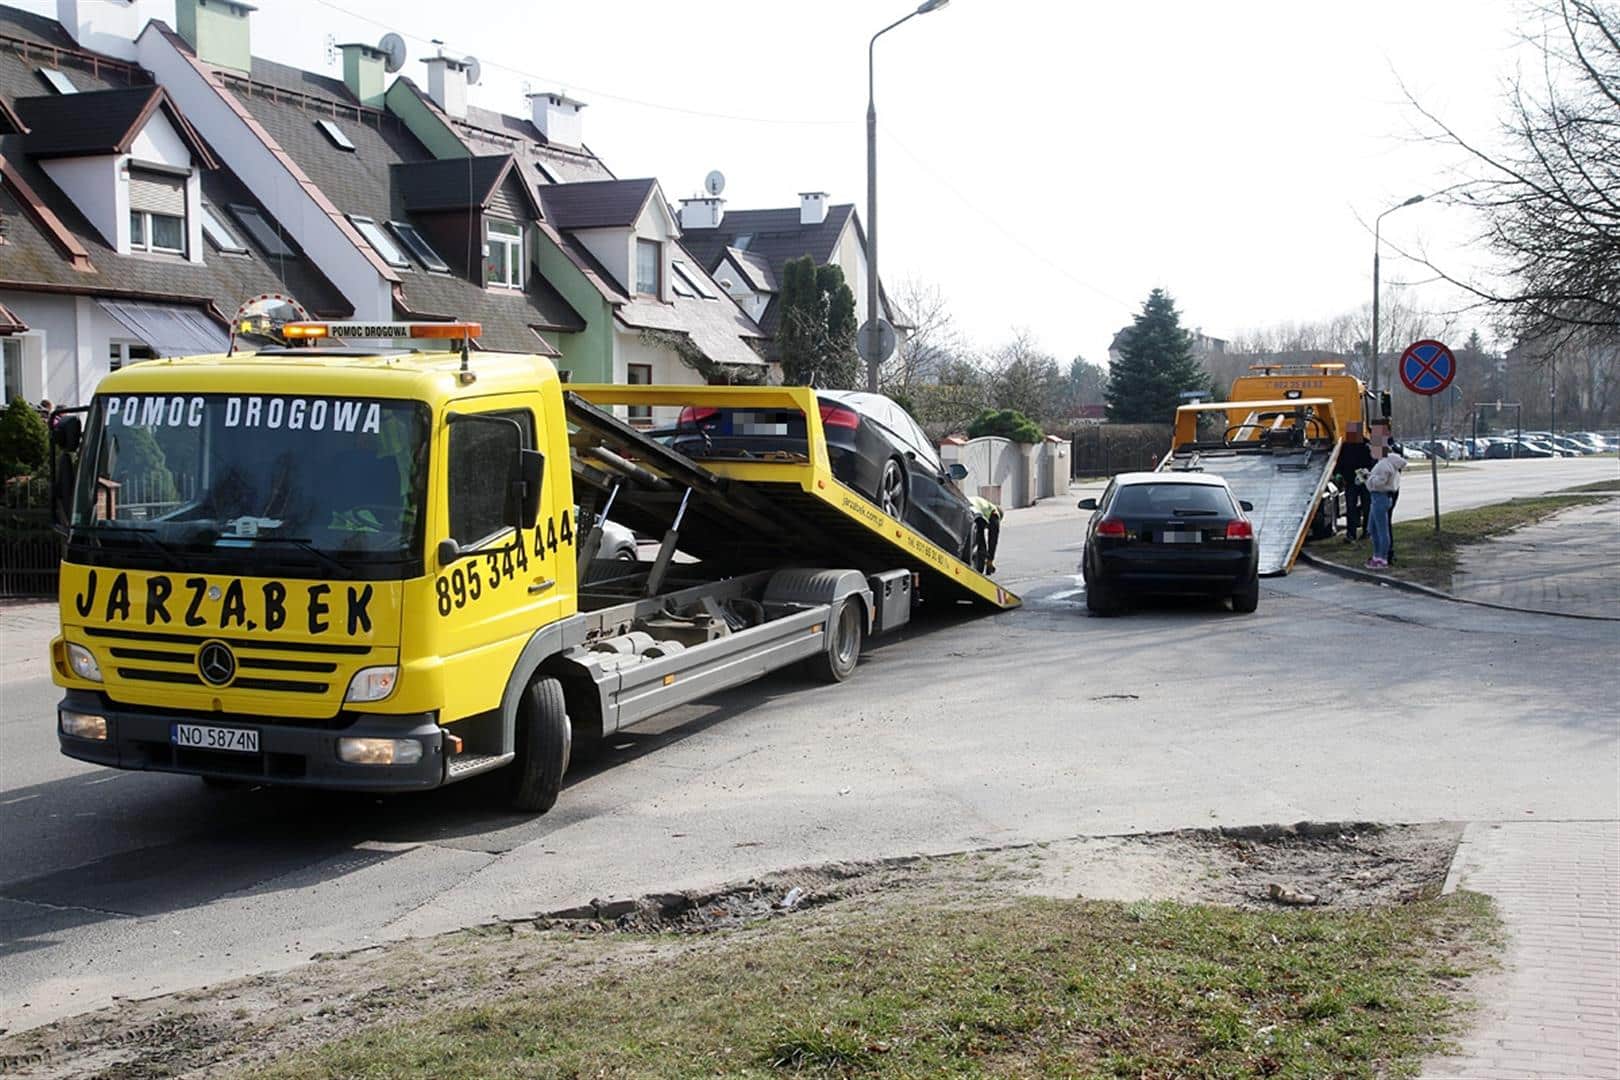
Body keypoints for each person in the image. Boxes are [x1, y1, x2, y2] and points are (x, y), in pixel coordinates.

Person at [1363, 444, 1406, 569]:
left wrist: (1367, 478)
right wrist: (1370, 475)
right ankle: (1377, 555)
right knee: (1373, 528)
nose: (1370, 451)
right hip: (1380, 497)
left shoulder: (1384, 464)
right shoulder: (1385, 463)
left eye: (1372, 449)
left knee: (1381, 530)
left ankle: (1382, 558)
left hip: (1380, 497)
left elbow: (1380, 482)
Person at [1335, 422, 1374, 542]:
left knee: (1356, 507)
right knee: (1361, 507)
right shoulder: (1362, 445)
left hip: (1357, 481)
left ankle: (1357, 533)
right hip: (1357, 481)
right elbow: (1340, 463)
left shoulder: (1353, 446)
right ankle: (1360, 532)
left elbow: (1340, 463)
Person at [968, 493, 1002, 574]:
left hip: (964, 503)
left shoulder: (985, 505)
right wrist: (990, 560)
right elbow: (993, 539)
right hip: (974, 510)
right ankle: (979, 568)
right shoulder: (995, 514)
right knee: (981, 543)